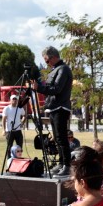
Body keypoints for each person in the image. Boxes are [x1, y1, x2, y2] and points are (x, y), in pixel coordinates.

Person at [33, 46, 73, 177]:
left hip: (61, 107)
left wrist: (39, 88)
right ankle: (61, 163)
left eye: (47, 60)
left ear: (54, 57)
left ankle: (67, 166)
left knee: (61, 138)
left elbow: (56, 89)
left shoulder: (63, 69)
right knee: (57, 138)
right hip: (54, 107)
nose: (46, 63)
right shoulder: (55, 70)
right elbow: (50, 88)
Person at [1, 94, 25, 158]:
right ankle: (9, 160)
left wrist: (22, 122)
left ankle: (18, 159)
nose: (14, 100)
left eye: (15, 99)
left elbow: (24, 115)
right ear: (10, 100)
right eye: (13, 99)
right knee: (9, 147)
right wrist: (3, 130)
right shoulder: (7, 108)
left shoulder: (20, 108)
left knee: (19, 147)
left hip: (18, 130)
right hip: (9, 131)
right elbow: (4, 119)